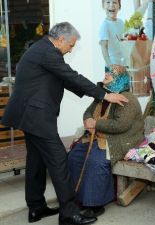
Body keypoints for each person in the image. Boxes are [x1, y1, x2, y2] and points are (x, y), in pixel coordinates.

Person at [1, 22, 128, 225]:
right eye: (71, 45)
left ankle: (36, 207)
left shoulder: (41, 49)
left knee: (36, 160)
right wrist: (105, 95)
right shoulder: (48, 53)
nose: (70, 50)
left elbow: (66, 80)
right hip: (36, 116)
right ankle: (68, 212)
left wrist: (99, 88)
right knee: (59, 160)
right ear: (61, 40)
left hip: (29, 114)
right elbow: (71, 76)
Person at [68, 65, 144, 218]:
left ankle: (95, 204)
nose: (106, 74)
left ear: (119, 78)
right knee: (74, 156)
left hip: (122, 140)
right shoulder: (103, 95)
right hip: (100, 136)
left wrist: (95, 124)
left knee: (96, 161)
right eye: (106, 71)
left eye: (111, 73)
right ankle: (78, 197)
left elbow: (121, 125)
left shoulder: (127, 98)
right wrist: (88, 119)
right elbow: (88, 111)